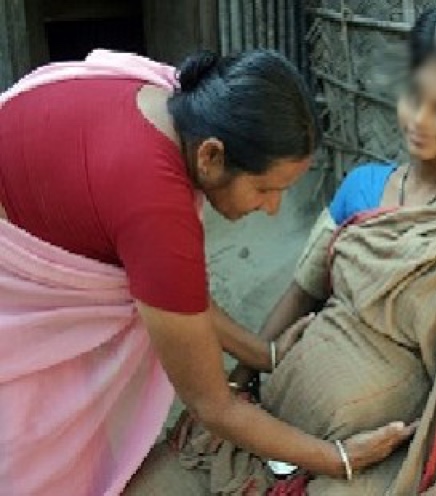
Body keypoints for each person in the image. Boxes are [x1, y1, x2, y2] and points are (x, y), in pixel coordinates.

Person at [0, 49, 414, 495]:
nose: (272, 208)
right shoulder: (157, 210)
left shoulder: (172, 103)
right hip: (20, 270)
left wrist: (265, 355)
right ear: (211, 156)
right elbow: (211, 404)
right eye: (265, 189)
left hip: (38, 188)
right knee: (37, 442)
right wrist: (338, 457)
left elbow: (180, 296)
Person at [175, 7, 436, 495]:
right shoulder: (362, 187)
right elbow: (301, 294)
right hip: (276, 420)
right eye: (413, 95)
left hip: (376, 457)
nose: (420, 119)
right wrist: (240, 385)